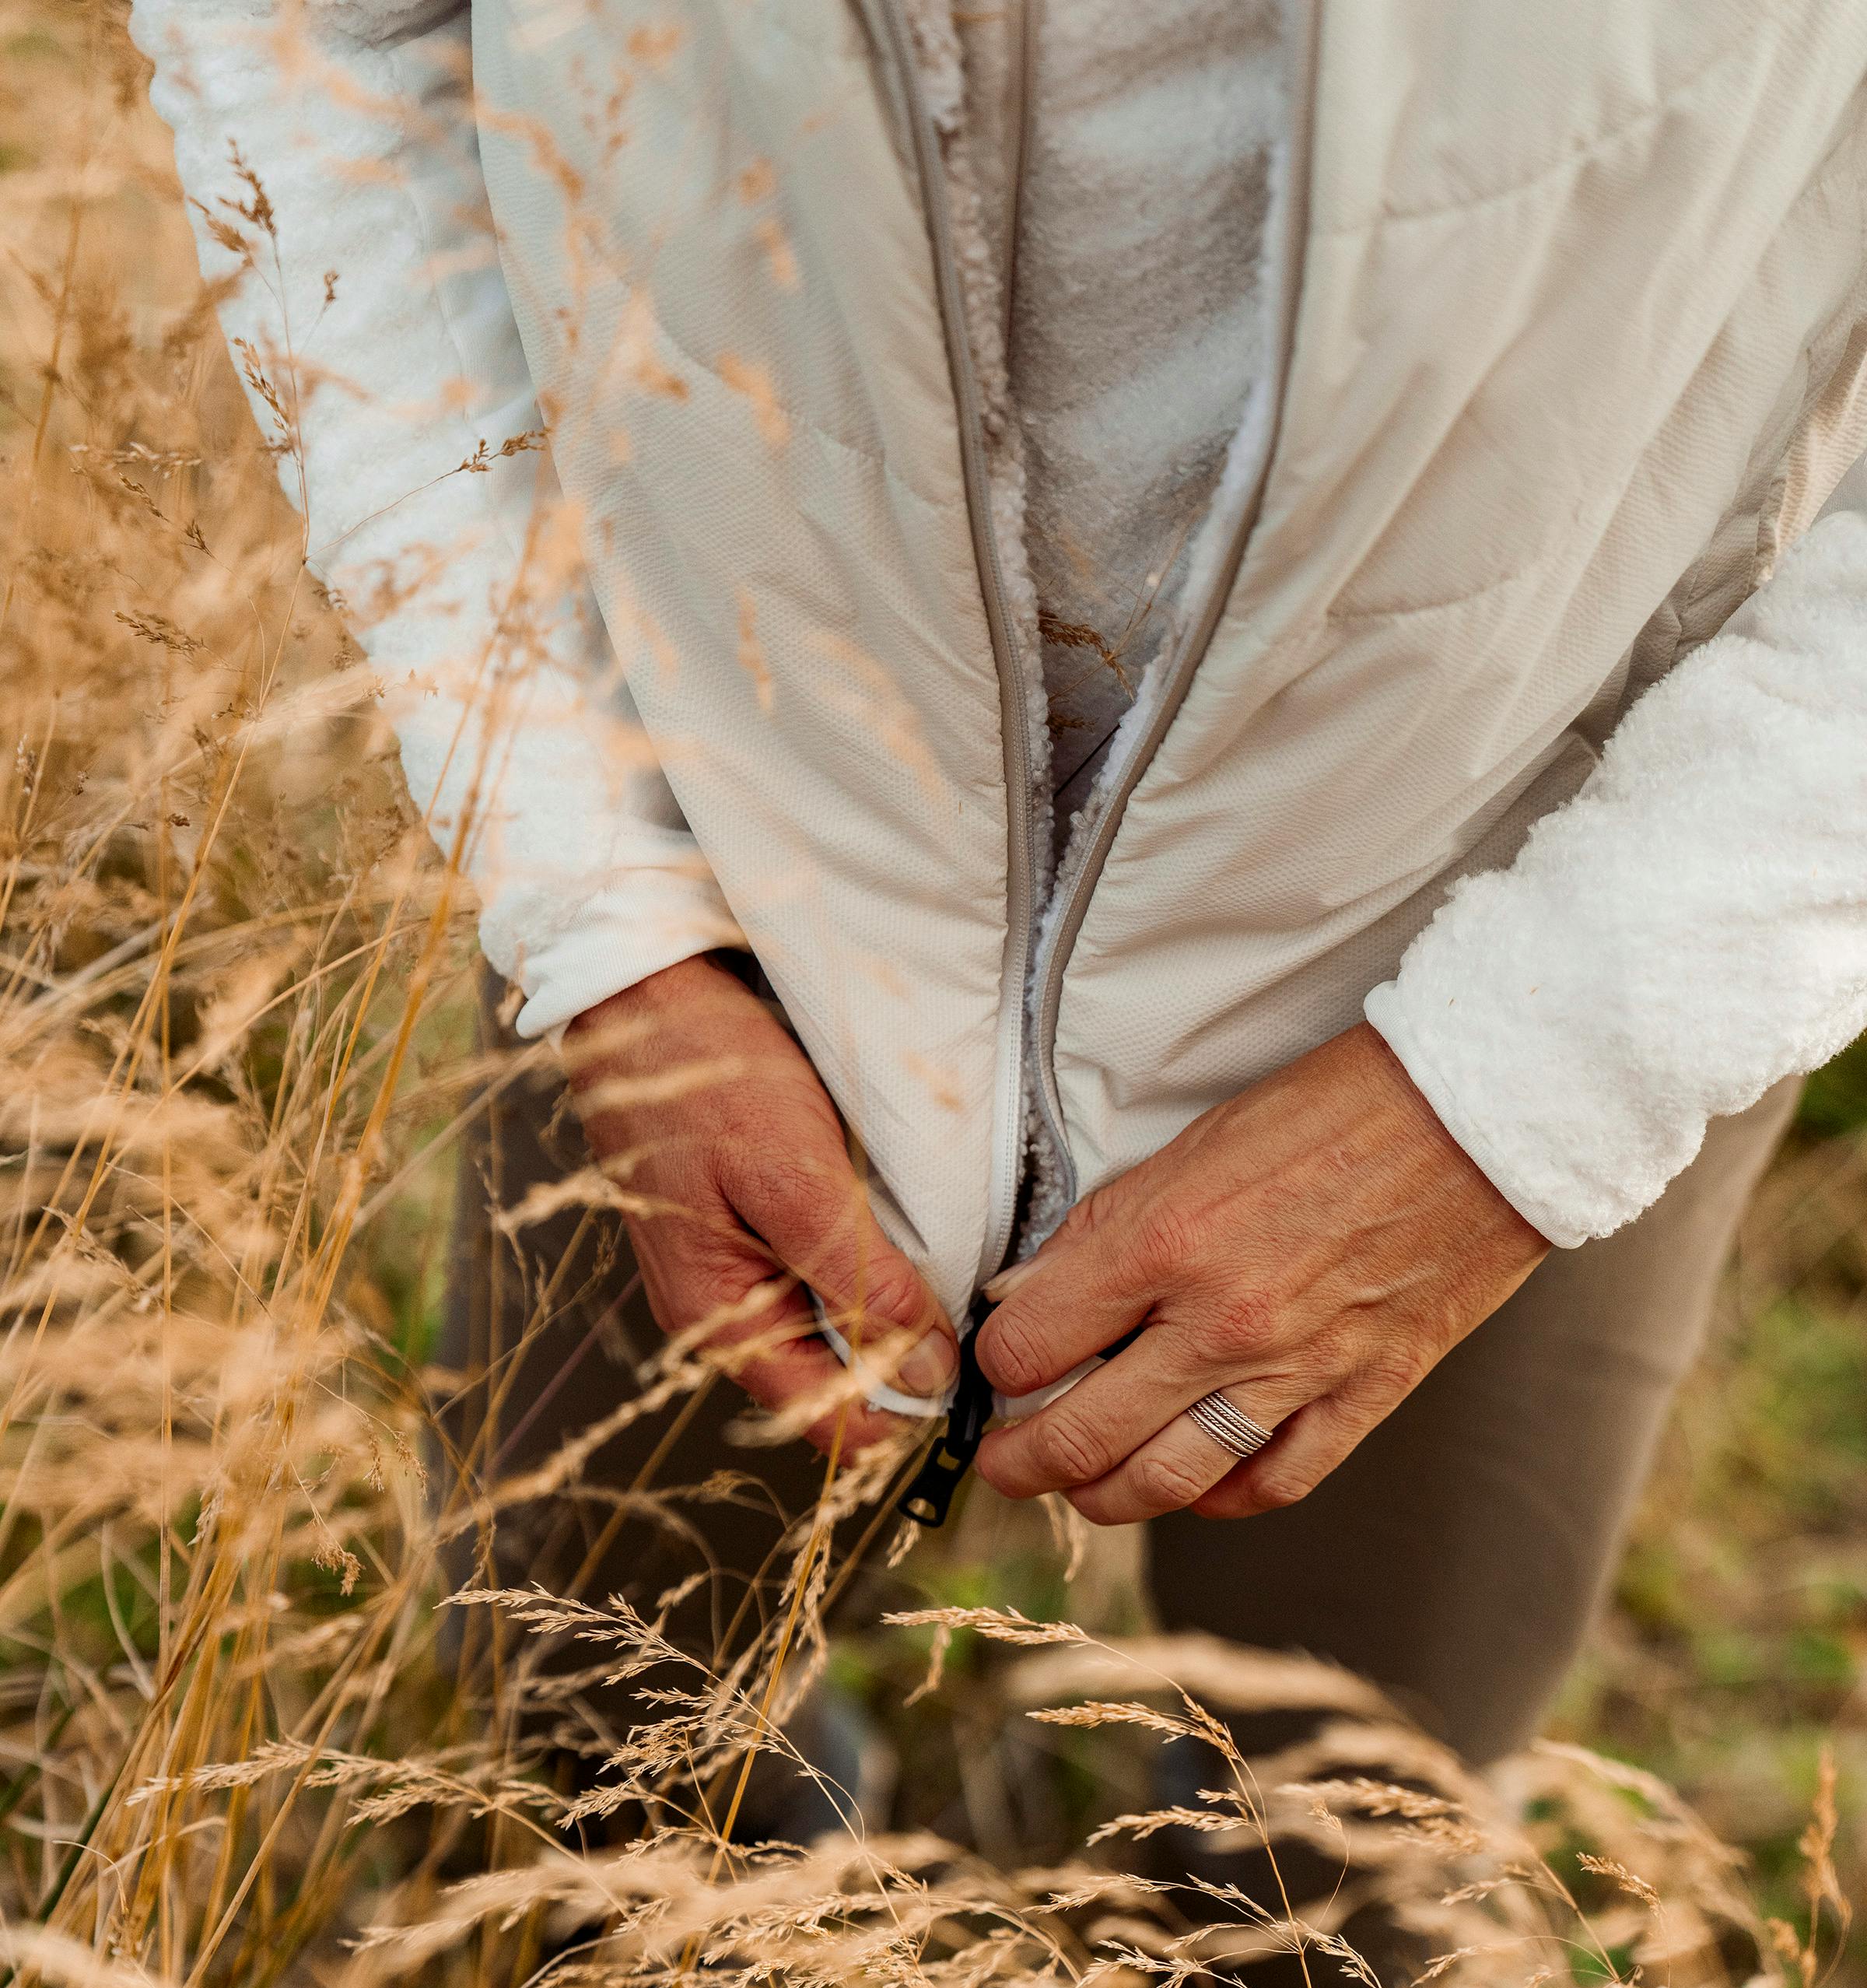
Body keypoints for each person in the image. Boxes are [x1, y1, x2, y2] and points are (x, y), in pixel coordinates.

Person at [128, 0, 1867, 1773]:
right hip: (718, 866)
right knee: (595, 1726)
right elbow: (306, 38)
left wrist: (1526, 1094)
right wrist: (607, 903)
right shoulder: (646, 907)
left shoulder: (1538, 1038)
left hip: (1536, 897)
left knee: (1347, 1835)